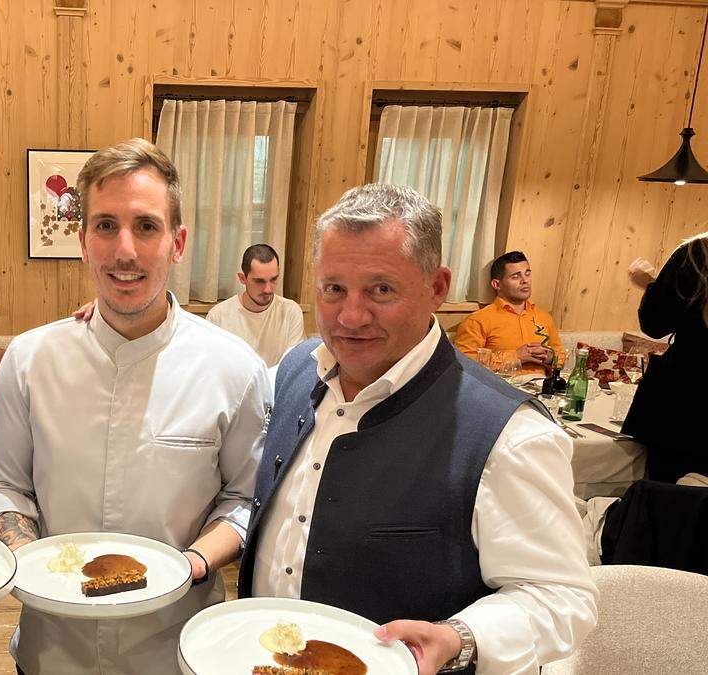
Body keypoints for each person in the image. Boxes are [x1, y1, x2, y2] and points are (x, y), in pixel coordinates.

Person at [239, 184, 596, 674]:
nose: (351, 315)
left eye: (381, 289)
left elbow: (561, 598)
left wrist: (461, 638)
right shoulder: (296, 369)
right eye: (333, 288)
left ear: (437, 286)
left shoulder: (509, 434)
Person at [0, 138, 269, 675]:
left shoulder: (234, 369)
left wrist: (196, 561)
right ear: (83, 242)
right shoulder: (31, 359)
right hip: (51, 652)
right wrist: (24, 556)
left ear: (177, 242)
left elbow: (246, 497)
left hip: (175, 652)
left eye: (146, 226)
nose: (125, 251)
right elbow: (3, 486)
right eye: (106, 226)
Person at [623, 234, 708, 481]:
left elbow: (655, 322)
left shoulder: (697, 253)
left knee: (666, 495)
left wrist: (652, 284)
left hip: (685, 398)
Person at [453, 251, 563, 374]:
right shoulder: (479, 320)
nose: (525, 281)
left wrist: (550, 357)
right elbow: (464, 363)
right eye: (516, 276)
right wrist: (515, 356)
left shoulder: (544, 317)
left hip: (543, 389)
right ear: (497, 284)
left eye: (527, 274)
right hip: (502, 389)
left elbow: (561, 356)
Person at [205, 244, 305, 367]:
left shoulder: (291, 312)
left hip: (276, 386)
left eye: (273, 279)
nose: (268, 289)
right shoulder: (218, 316)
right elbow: (213, 368)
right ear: (242, 278)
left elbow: (294, 367)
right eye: (259, 281)